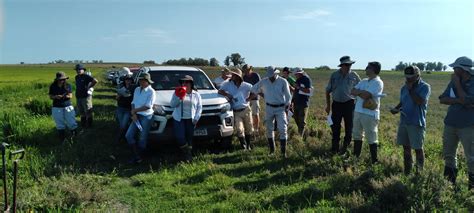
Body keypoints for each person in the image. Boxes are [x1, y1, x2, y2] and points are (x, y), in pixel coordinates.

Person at [438, 56, 474, 189]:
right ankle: (449, 185)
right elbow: (442, 99)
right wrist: (460, 101)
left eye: (455, 67)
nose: (453, 69)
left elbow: (467, 100)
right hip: (451, 123)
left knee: (471, 157)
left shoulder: (467, 81)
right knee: (449, 155)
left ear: (463, 69)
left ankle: (471, 190)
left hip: (468, 125)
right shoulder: (454, 81)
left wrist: (458, 85)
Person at [390, 65, 431, 174]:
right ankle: (407, 172)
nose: (408, 79)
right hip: (404, 121)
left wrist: (411, 89)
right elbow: (403, 102)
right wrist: (396, 109)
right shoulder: (404, 88)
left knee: (418, 149)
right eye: (406, 76)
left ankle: (419, 173)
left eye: (411, 77)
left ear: (417, 76)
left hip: (416, 122)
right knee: (406, 148)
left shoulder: (425, 87)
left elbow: (419, 101)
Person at [250, 66, 292, 157]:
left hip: (280, 108)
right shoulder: (264, 81)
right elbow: (253, 89)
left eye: (272, 75)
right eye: (269, 75)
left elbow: (288, 96)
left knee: (282, 129)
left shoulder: (283, 81)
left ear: (276, 73)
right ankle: (272, 151)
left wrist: (287, 106)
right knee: (269, 129)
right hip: (269, 108)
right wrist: (262, 94)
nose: (270, 77)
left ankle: (283, 153)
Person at [350, 62, 384, 164]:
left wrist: (360, 92)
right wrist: (362, 92)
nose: (366, 69)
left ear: (373, 69)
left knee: (372, 137)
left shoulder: (378, 82)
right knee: (357, 135)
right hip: (358, 111)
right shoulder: (364, 81)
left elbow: (366, 95)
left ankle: (374, 161)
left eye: (368, 67)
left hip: (370, 113)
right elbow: (352, 91)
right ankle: (356, 158)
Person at [325, 56, 361, 153]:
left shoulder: (354, 75)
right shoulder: (334, 75)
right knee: (335, 127)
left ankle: (345, 148)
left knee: (349, 127)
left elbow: (360, 90)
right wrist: (328, 106)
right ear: (342, 65)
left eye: (350, 64)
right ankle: (335, 148)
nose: (349, 66)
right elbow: (328, 90)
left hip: (349, 104)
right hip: (336, 104)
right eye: (346, 64)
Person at [218, 68, 254, 150]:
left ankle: (248, 145)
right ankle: (243, 146)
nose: (232, 76)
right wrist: (227, 94)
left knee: (249, 128)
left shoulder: (246, 85)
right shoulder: (228, 84)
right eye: (232, 75)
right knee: (239, 129)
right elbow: (220, 91)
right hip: (236, 111)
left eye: (234, 75)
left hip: (246, 109)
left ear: (238, 76)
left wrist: (249, 98)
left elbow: (255, 91)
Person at [125, 72, 156, 164]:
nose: (141, 82)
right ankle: (137, 156)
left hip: (146, 116)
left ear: (148, 81)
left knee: (142, 138)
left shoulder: (151, 92)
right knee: (128, 135)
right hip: (137, 115)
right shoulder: (137, 89)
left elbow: (148, 106)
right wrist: (134, 114)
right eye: (140, 80)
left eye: (143, 80)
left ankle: (139, 157)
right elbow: (133, 102)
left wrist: (135, 111)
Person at [171, 75, 202, 162]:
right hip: (179, 119)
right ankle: (188, 153)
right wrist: (180, 98)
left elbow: (199, 107)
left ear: (191, 83)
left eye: (187, 82)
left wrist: (196, 118)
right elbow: (172, 105)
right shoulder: (177, 92)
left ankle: (187, 157)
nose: (185, 84)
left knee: (189, 138)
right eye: (183, 82)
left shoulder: (196, 94)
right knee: (180, 137)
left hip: (191, 119)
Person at [48, 72, 78, 142]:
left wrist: (64, 96)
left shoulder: (68, 85)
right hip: (57, 107)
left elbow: (70, 96)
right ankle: (62, 138)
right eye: (61, 79)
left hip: (67, 106)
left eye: (63, 79)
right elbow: (50, 96)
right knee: (59, 123)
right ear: (57, 80)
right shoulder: (53, 86)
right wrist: (56, 96)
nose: (62, 81)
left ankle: (74, 136)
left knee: (71, 121)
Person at [74, 64, 98, 128]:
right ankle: (83, 125)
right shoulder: (76, 77)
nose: (78, 71)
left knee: (88, 111)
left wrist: (89, 86)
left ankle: (90, 126)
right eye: (77, 70)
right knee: (81, 112)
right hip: (78, 96)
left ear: (83, 70)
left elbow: (95, 81)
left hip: (86, 97)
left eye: (79, 69)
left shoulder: (86, 76)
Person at [291, 67, 312, 137]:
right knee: (296, 118)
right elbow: (296, 91)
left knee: (302, 121)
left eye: (296, 74)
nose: (295, 75)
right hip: (296, 102)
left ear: (299, 73)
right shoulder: (298, 79)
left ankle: (300, 137)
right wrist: (292, 100)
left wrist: (298, 87)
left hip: (303, 103)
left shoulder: (306, 79)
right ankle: (304, 133)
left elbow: (309, 91)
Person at [116, 69, 135, 143]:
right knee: (121, 124)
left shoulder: (134, 87)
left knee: (123, 124)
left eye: (129, 80)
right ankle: (124, 137)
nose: (128, 81)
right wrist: (120, 94)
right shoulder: (121, 86)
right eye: (127, 80)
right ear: (124, 80)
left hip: (128, 108)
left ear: (131, 80)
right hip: (120, 107)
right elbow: (117, 98)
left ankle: (118, 138)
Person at [243, 64, 262, 132]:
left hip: (255, 97)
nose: (247, 72)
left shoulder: (256, 75)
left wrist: (251, 96)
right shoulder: (244, 77)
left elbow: (259, 87)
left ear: (250, 69)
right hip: (248, 97)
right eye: (245, 71)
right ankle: (250, 129)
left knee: (255, 114)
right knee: (247, 114)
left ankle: (256, 129)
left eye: (248, 70)